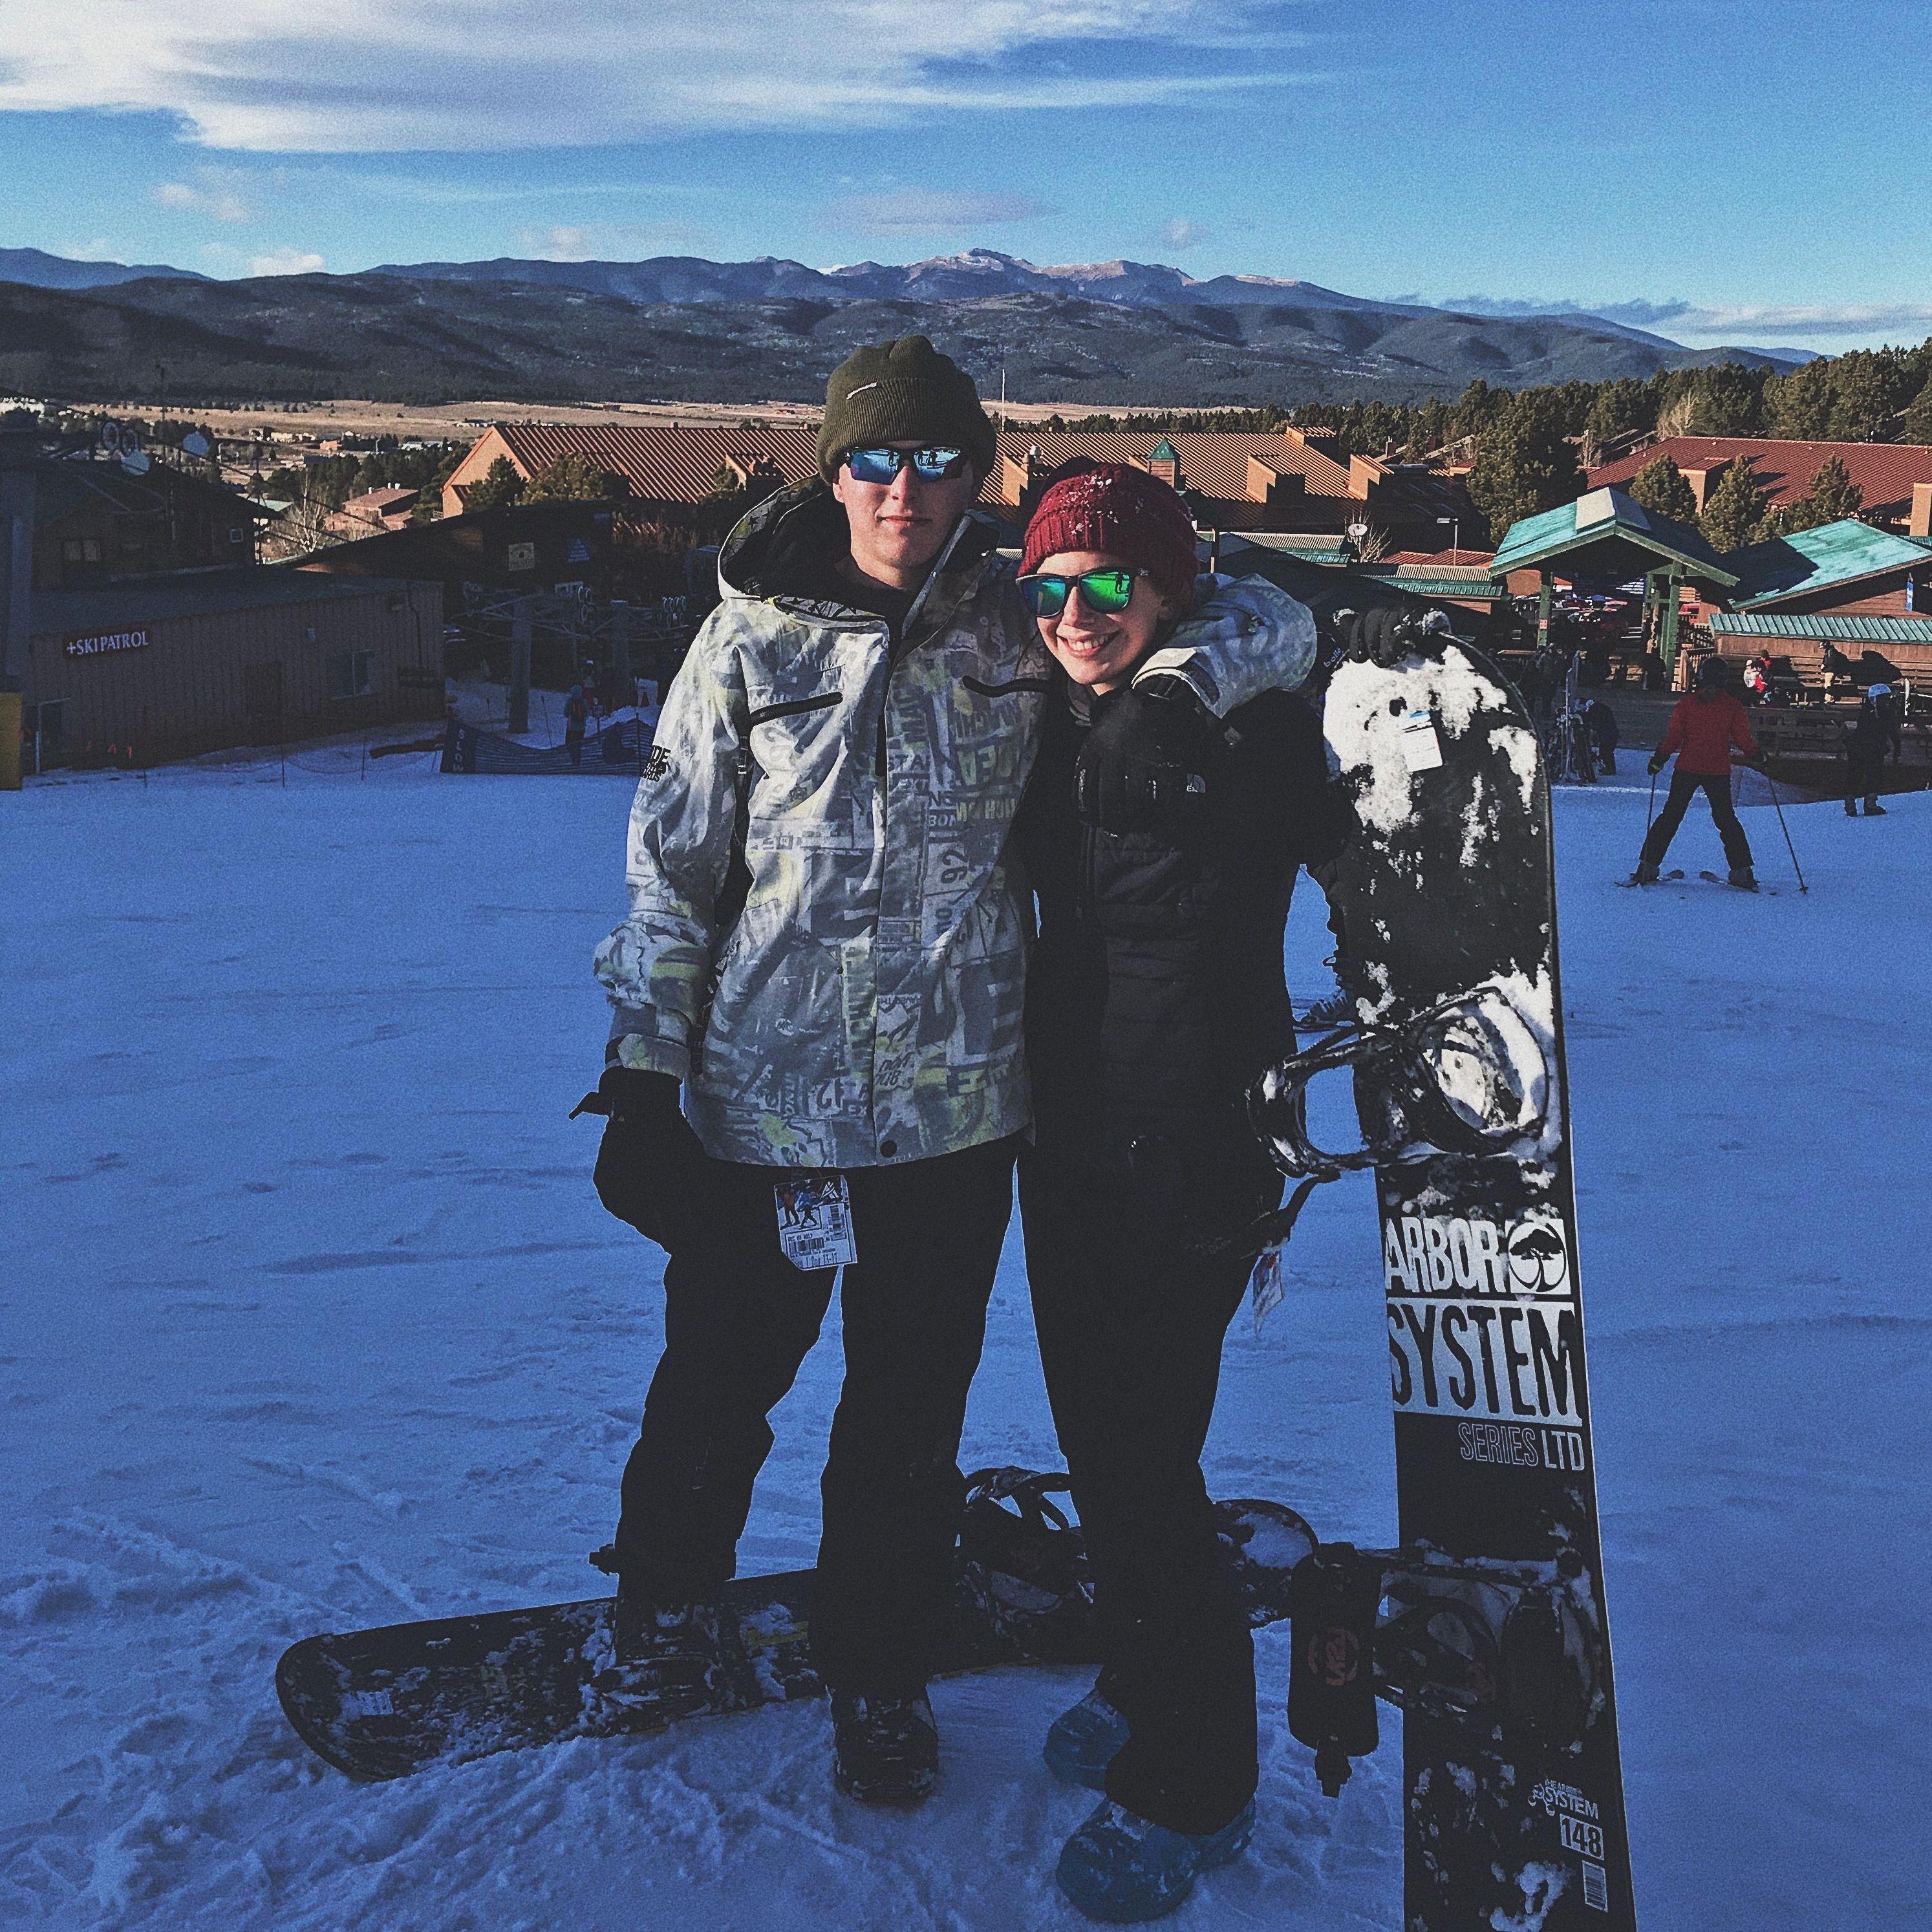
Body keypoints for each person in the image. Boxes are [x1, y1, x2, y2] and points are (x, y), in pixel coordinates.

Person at [581, 338, 1316, 1809]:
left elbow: (1266, 613)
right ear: (828, 466)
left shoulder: (1012, 611)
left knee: (903, 1422)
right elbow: (671, 867)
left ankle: (876, 1668)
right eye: (871, 456)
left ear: (972, 471)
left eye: (933, 460)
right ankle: (657, 1615)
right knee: (715, 1386)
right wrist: (643, 1063)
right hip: (762, 1106)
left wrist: (1178, 682)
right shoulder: (749, 637)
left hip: (953, 1113)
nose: (901, 488)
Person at [1009, 467, 1355, 1921]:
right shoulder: (1056, 714)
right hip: (1068, 1136)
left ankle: (1202, 1775)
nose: (1077, 615)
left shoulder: (1250, 725)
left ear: (1166, 591)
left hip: (1200, 1138)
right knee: (1101, 1439)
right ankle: (1145, 1670)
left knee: (1150, 1463)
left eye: (1106, 585)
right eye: (1051, 590)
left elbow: (1372, 850)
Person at [1633, 654, 1763, 888]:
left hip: (1689, 768)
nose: (1710, 691)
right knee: (1725, 820)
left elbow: (1675, 737)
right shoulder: (1732, 706)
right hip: (1716, 770)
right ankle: (1742, 870)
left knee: (1671, 817)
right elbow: (1743, 738)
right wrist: (1756, 754)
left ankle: (1648, 865)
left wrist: (1660, 758)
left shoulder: (1688, 704)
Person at [1843, 682, 1902, 815]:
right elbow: (1868, 731)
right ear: (1874, 699)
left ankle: (1870, 804)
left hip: (1875, 749)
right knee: (1856, 774)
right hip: (1861, 748)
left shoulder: (1886, 713)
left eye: (1887, 699)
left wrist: (1897, 747)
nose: (1886, 702)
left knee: (1874, 775)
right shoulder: (1868, 713)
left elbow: (1892, 731)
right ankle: (1850, 804)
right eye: (1883, 699)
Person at [1582, 692, 1620, 775]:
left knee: (1606, 752)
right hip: (1611, 733)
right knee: (1607, 752)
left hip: (1607, 734)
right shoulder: (1600, 707)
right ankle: (1609, 768)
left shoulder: (1595, 709)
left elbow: (1595, 721)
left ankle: (1610, 769)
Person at [563, 683, 590, 767]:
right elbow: (587, 714)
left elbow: (566, 714)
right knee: (578, 744)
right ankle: (577, 761)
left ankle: (573, 759)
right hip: (581, 727)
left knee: (569, 743)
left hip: (571, 727)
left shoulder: (570, 702)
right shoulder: (584, 701)